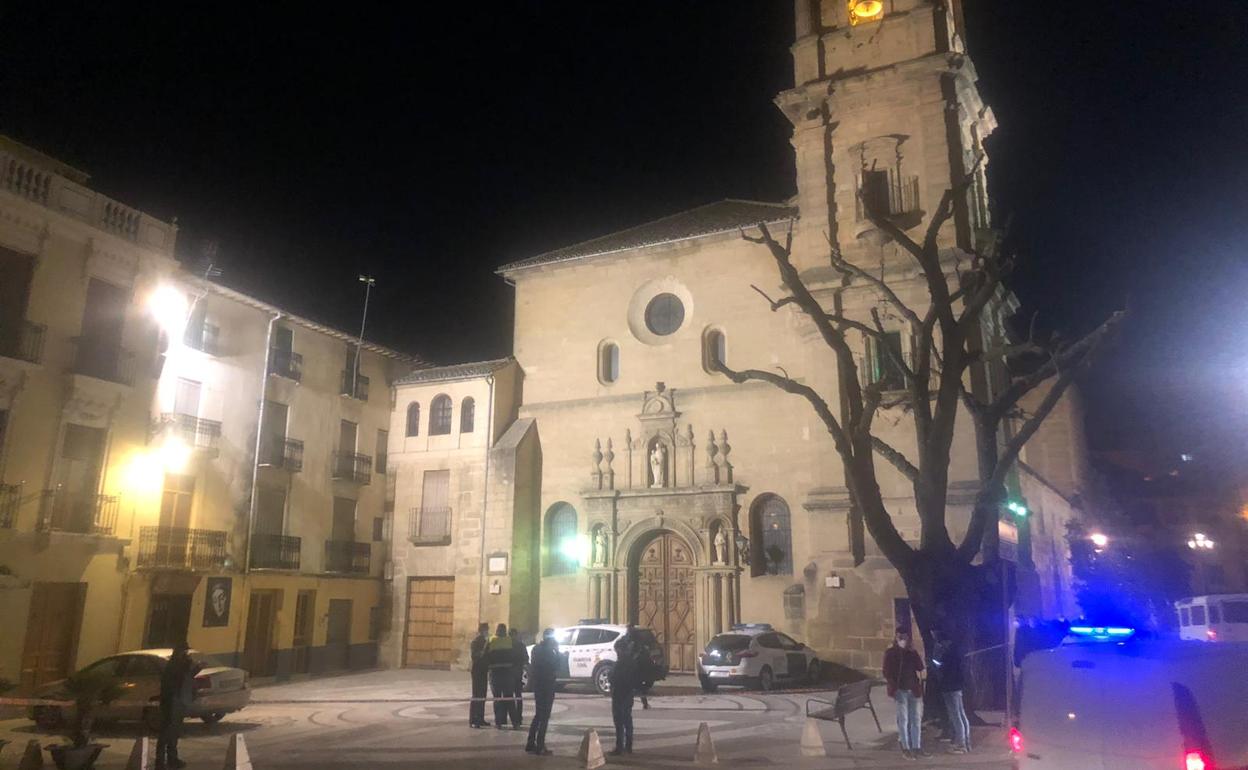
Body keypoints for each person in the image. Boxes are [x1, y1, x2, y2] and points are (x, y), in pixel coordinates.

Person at [156, 641, 201, 770]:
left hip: (179, 701)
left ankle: (172, 759)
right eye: (184, 652)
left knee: (174, 733)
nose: (186, 655)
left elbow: (186, 678)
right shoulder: (173, 666)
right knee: (166, 733)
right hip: (171, 702)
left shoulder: (180, 664)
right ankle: (160, 762)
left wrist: (196, 668)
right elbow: (176, 681)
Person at [884, 629, 927, 760]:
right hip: (900, 690)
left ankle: (917, 746)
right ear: (896, 638)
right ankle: (905, 747)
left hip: (913, 689)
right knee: (903, 719)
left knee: (916, 719)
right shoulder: (891, 653)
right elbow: (886, 672)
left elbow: (920, 667)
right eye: (900, 637)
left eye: (904, 637)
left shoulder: (911, 653)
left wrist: (913, 652)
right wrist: (894, 686)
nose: (902, 640)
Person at [930, 629, 971, 754]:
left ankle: (961, 744)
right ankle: (966, 742)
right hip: (957, 686)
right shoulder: (956, 650)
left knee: (955, 715)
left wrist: (935, 655)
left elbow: (938, 665)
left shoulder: (946, 652)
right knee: (961, 713)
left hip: (949, 687)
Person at [525, 628, 560, 755]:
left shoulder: (536, 649)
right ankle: (540, 745)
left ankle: (530, 742)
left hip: (538, 685)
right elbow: (556, 666)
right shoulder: (549, 651)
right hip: (547, 685)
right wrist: (557, 651)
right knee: (544, 716)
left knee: (538, 714)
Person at [608, 636, 639, 755]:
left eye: (617, 650)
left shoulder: (622, 663)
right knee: (627, 720)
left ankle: (620, 746)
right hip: (627, 694)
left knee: (620, 721)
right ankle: (628, 745)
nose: (616, 652)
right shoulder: (630, 662)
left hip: (621, 694)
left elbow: (616, 677)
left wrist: (612, 679)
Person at [486, 623, 520, 729]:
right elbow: (516, 656)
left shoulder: (491, 640)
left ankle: (498, 722)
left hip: (495, 674)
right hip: (507, 674)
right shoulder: (510, 641)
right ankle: (515, 723)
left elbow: (486, 655)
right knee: (509, 698)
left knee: (497, 699)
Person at [469, 622, 491, 728]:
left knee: (482, 695)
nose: (487, 631)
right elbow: (474, 655)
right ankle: (473, 719)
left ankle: (480, 718)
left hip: (483, 670)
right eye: (486, 629)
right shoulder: (476, 642)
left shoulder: (486, 642)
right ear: (482, 630)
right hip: (477, 671)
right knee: (476, 695)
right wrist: (480, 654)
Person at [509, 628, 529, 726]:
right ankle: (518, 718)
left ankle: (514, 718)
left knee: (511, 697)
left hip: (510, 674)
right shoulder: (521, 645)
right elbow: (526, 658)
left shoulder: (508, 646)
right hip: (517, 673)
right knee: (517, 696)